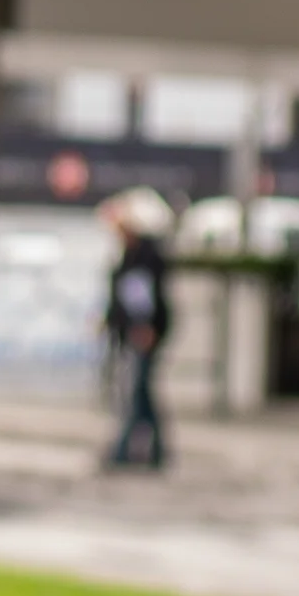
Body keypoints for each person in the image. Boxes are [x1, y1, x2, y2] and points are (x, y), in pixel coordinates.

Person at [100, 192, 177, 473]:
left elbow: (140, 296)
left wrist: (143, 326)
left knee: (136, 392)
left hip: (141, 332)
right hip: (133, 330)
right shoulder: (132, 254)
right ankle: (157, 451)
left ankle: (123, 451)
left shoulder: (143, 255)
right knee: (142, 394)